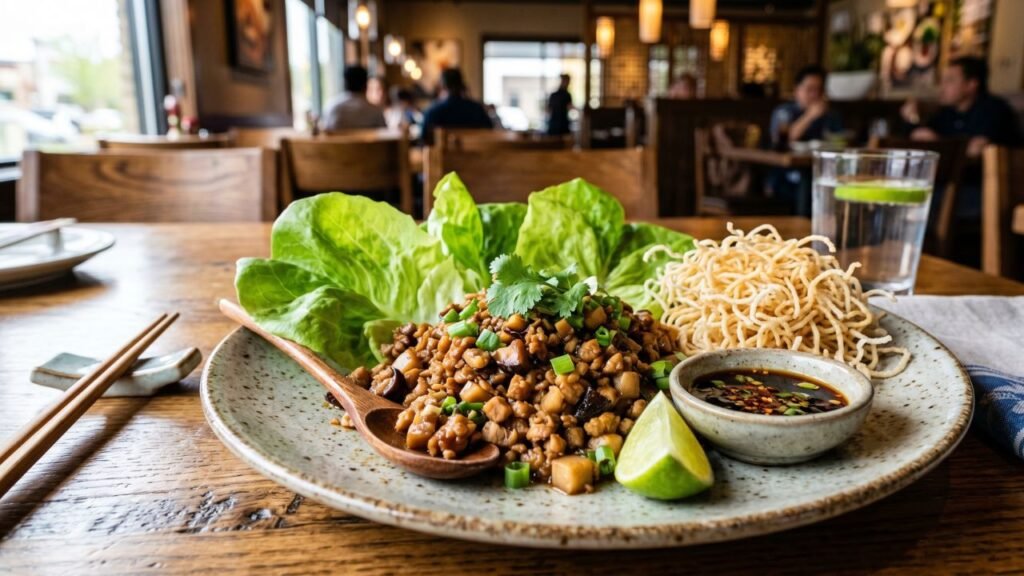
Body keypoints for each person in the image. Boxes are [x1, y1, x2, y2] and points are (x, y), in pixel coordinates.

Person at [903, 56, 1021, 158]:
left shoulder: (994, 109)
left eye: (950, 81)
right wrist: (912, 118)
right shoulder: (947, 111)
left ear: (971, 85)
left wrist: (937, 142)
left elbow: (975, 150)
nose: (942, 87)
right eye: (942, 81)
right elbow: (921, 135)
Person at [769, 65, 843, 146]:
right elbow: (780, 140)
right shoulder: (784, 111)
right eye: (810, 89)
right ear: (797, 90)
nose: (815, 94)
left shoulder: (830, 113)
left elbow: (840, 139)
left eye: (820, 89)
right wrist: (810, 116)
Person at [421, 68, 493, 145]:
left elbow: (424, 140)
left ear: (442, 85)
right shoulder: (477, 109)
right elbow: (490, 132)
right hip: (475, 152)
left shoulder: (432, 112)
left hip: (443, 153)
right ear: (461, 84)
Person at [320, 66, 387, 131]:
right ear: (365, 85)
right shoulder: (375, 111)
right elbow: (385, 134)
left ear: (344, 83)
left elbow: (325, 131)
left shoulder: (331, 107)